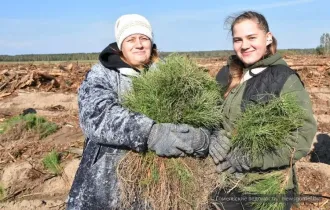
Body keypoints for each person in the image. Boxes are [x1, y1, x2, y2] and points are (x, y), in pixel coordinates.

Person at [66, 14, 210, 210]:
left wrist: (202, 136)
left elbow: (200, 108)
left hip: (155, 189)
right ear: (121, 45)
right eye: (130, 39)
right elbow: (96, 117)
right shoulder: (103, 73)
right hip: (106, 187)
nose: (139, 44)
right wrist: (151, 133)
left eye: (144, 38)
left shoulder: (168, 73)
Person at [208, 11, 317, 210]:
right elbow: (210, 116)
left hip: (266, 188)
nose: (245, 45)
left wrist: (250, 157)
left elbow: (301, 137)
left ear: (267, 37)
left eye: (252, 37)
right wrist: (213, 136)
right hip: (225, 184)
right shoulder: (225, 74)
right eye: (238, 40)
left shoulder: (284, 78)